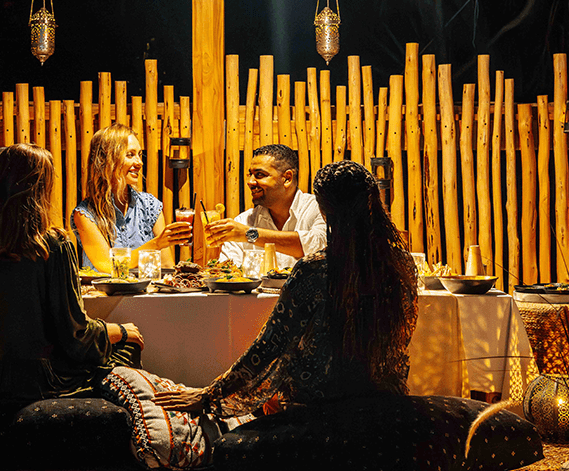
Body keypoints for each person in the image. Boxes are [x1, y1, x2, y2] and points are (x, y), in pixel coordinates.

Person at [155, 160, 418, 415]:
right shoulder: (402, 264)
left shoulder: (314, 270)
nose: (251, 182)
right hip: (385, 405)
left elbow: (269, 348)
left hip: (319, 411)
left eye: (260, 174)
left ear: (324, 210)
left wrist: (209, 396)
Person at [0, 143, 143, 401]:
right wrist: (119, 330)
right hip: (29, 382)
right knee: (126, 349)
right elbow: (74, 335)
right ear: (43, 187)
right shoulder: (52, 245)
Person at [72, 124, 191, 273]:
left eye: (139, 154)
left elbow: (167, 267)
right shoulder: (85, 214)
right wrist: (156, 244)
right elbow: (108, 265)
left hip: (149, 288)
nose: (139, 162)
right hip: (104, 289)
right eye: (130, 155)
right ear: (107, 160)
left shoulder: (150, 205)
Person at [204, 144, 326, 271]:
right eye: (250, 174)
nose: (250, 182)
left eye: (259, 174)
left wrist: (248, 234)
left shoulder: (319, 209)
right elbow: (228, 272)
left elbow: (318, 246)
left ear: (287, 178)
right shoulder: (243, 221)